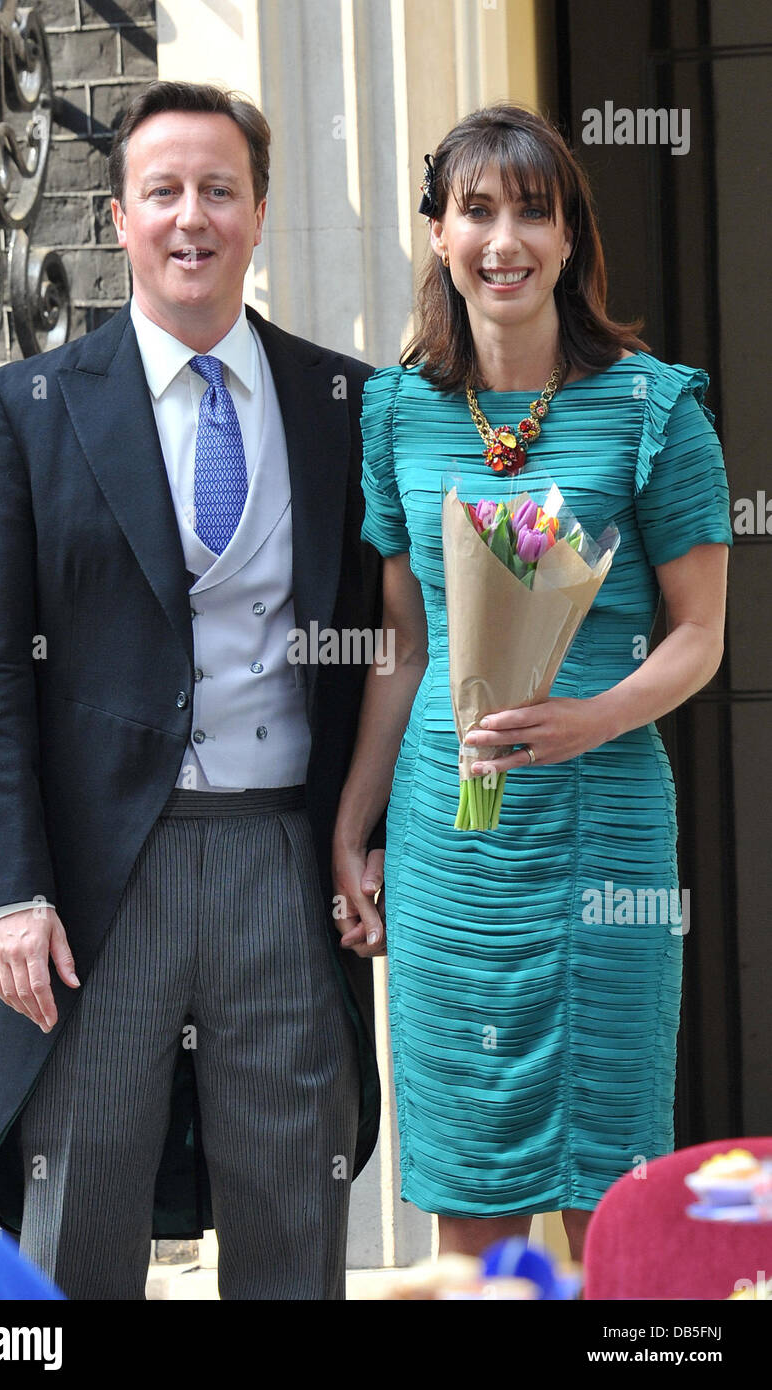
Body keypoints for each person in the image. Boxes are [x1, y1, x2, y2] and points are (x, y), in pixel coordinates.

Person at [0, 80, 384, 1301]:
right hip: (96, 888)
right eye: (164, 192)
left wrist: (371, 836)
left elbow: (389, 637)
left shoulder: (345, 403)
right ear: (124, 217)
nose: (193, 216)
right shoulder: (26, 411)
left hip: (280, 861)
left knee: (296, 1217)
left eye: (220, 190)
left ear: (257, 210)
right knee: (77, 1217)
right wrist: (11, 894)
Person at [332, 103, 731, 1263]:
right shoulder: (399, 411)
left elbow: (701, 634)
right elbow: (404, 648)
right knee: (473, 1168)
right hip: (449, 841)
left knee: (613, 1182)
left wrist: (588, 721)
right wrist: (353, 831)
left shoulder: (655, 408)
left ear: (569, 240)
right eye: (478, 211)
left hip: (603, 827)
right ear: (443, 236)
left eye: (533, 213)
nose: (504, 240)